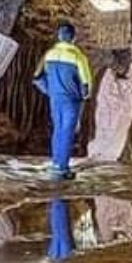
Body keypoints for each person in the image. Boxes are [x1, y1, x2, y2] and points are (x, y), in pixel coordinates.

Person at [33, 22, 93, 180]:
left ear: (59, 36)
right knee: (67, 131)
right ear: (73, 38)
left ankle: (56, 162)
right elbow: (86, 83)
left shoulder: (49, 54)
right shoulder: (78, 57)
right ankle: (62, 167)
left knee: (58, 129)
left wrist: (49, 91)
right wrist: (83, 96)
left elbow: (38, 76)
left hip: (55, 98)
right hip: (70, 100)